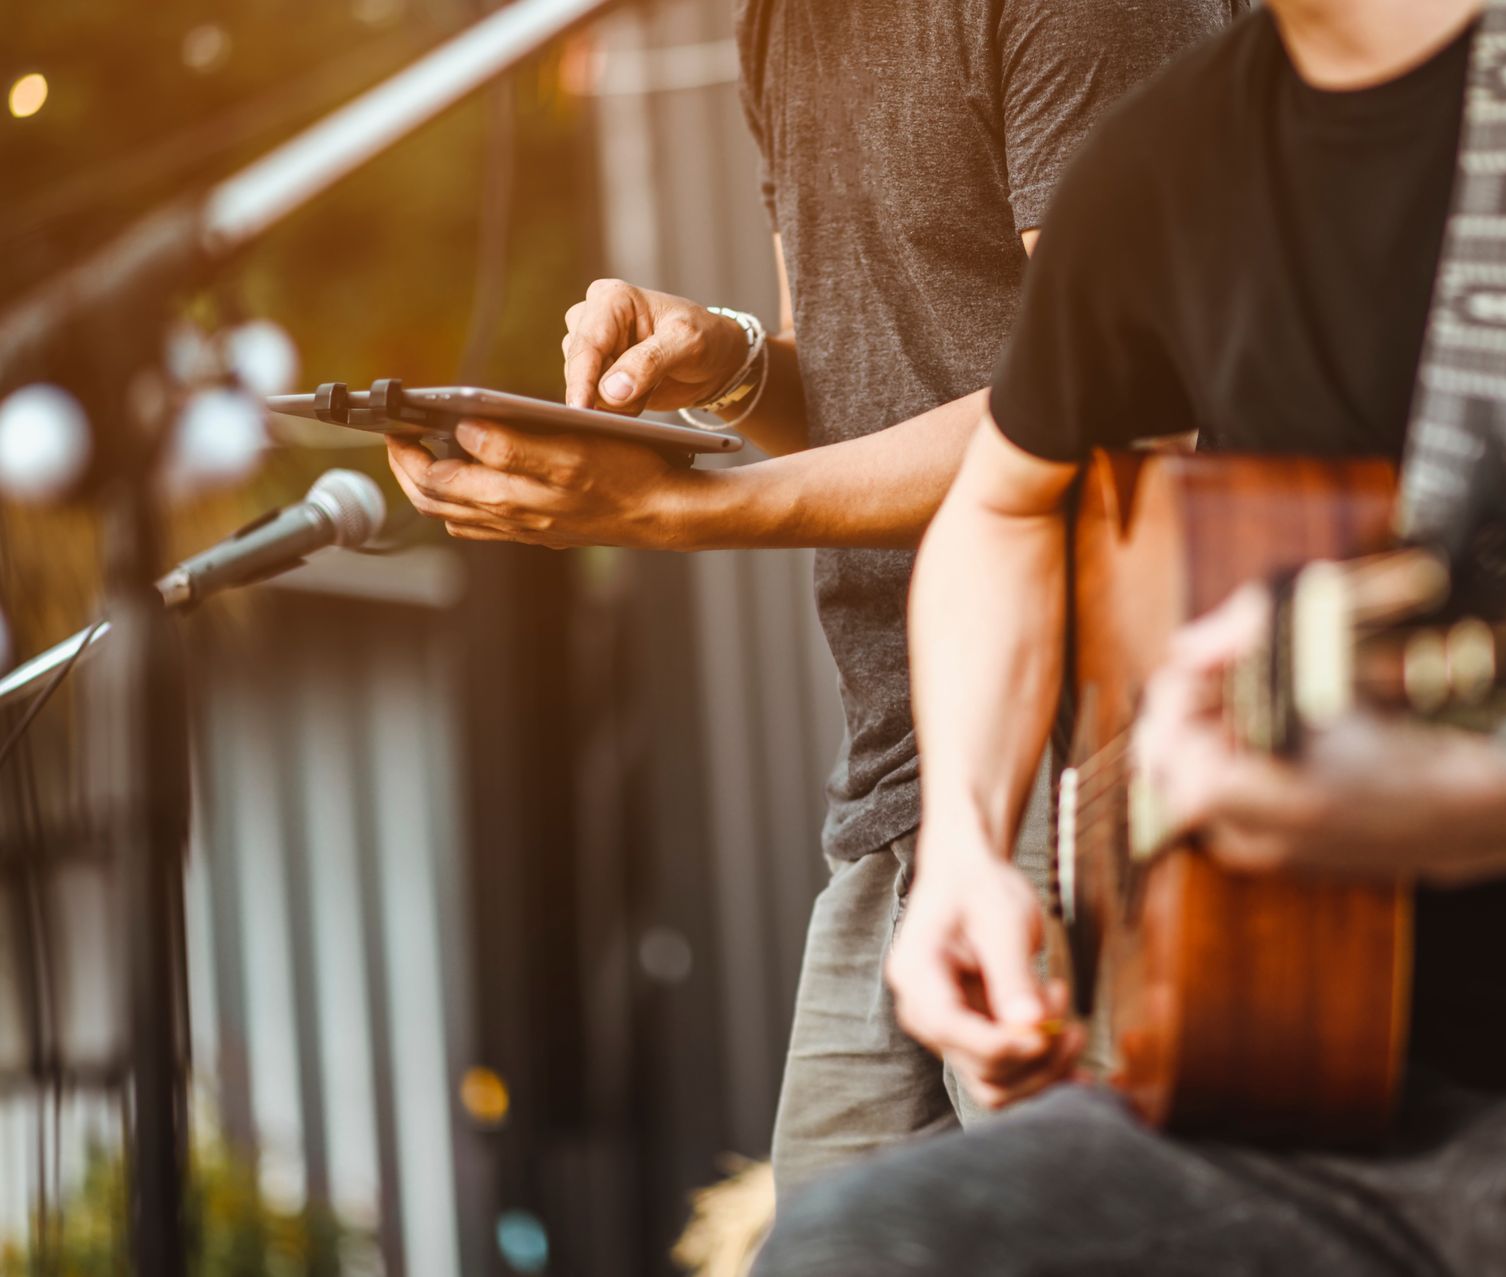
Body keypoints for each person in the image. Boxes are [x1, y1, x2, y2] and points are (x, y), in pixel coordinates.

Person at [753, 0, 1506, 1270]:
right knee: (864, 1243)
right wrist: (974, 847)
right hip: (1314, 1093)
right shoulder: (1171, 157)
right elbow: (1004, 503)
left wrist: (1470, 791)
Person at [384, 0, 1244, 1193]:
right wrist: (734, 368)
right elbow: (873, 386)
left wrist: (683, 514)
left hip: (1098, 777)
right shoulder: (777, 25)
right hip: (899, 790)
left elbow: (1121, 400)